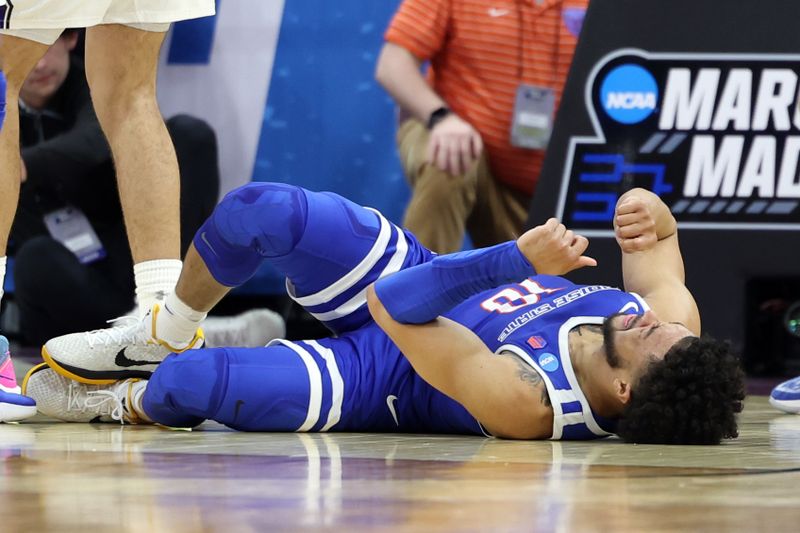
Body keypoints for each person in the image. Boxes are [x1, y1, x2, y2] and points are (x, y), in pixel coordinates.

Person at [24, 183, 745, 444]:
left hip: (385, 362)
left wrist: (513, 261)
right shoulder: (663, 319)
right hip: (422, 282)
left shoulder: (530, 402)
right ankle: (163, 329)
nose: (655, 318)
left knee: (190, 388)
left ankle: (123, 400)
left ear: (624, 392)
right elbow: (658, 244)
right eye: (668, 321)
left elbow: (394, 308)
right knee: (261, 210)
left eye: (656, 338)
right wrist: (648, 217)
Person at [9, 29, 220, 345]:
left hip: (128, 252)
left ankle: (174, 314)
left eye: (47, 46)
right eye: (29, 50)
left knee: (190, 136)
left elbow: (94, 140)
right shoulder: (6, 103)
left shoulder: (95, 80)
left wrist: (19, 165)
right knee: (34, 258)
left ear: (70, 39)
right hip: (69, 278)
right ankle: (118, 344)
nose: (39, 66)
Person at [375, 0, 589, 254]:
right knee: (450, 158)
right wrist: (441, 118)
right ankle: (417, 283)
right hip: (467, 143)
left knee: (556, 278)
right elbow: (392, 65)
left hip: (552, 192)